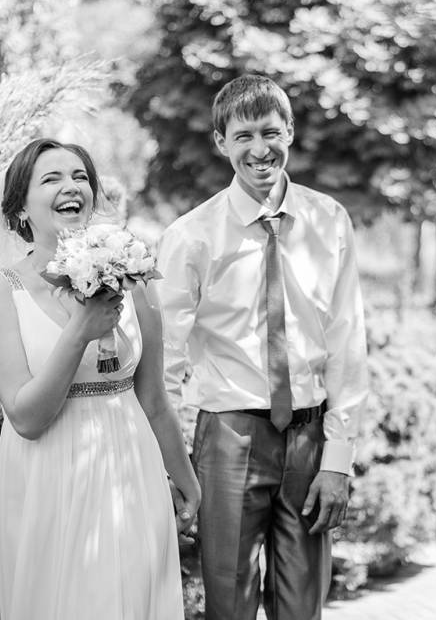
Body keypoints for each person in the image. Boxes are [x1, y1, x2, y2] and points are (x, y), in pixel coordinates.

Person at [158, 75, 369, 620]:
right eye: (243, 136)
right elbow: (165, 361)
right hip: (229, 437)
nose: (259, 149)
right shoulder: (191, 236)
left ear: (290, 132)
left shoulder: (329, 221)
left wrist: (338, 460)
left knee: (303, 608)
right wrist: (168, 463)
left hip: (309, 441)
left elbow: (347, 341)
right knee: (229, 603)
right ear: (220, 142)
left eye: (271, 132)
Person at [0, 138, 200, 620]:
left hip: (130, 472)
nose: (71, 187)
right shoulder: (0, 290)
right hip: (47, 477)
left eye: (79, 177)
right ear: (20, 208)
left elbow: (154, 399)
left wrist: (186, 479)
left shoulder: (132, 276)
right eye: (51, 179)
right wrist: (81, 330)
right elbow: (26, 418)